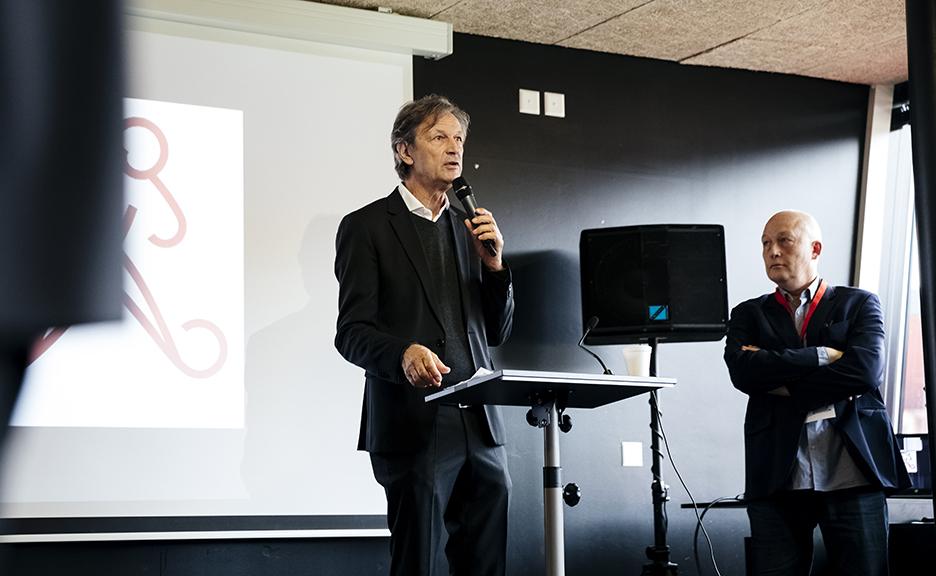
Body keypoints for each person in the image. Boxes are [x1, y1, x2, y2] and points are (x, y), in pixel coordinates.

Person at [334, 94, 514, 576]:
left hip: (480, 422)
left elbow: (497, 332)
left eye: (459, 139)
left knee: (486, 564)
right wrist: (403, 353)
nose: (454, 148)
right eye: (439, 137)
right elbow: (351, 333)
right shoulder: (367, 227)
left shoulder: (470, 229)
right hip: (415, 423)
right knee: (420, 564)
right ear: (405, 150)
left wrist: (496, 269)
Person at [724, 210, 910, 575]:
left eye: (784, 240)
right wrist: (822, 356)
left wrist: (780, 380)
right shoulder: (748, 314)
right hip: (777, 474)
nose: (772, 251)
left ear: (815, 249)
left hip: (854, 471)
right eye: (765, 243)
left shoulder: (859, 304)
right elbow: (743, 373)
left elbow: (864, 371)